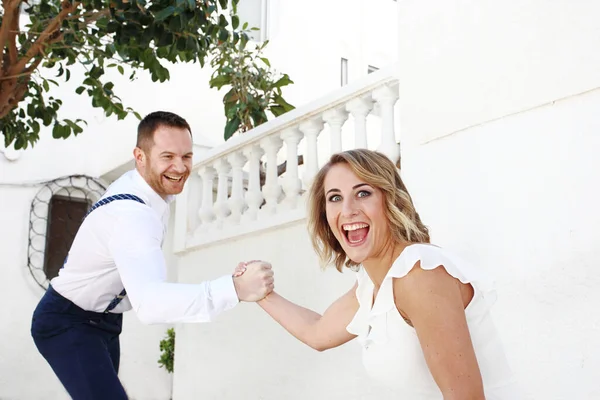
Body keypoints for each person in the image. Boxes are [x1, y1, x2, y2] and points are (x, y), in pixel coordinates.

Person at [237, 149, 520, 399]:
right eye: (335, 198)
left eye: (363, 193)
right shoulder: (374, 284)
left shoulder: (419, 273)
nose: (347, 210)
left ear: (390, 200)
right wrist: (261, 294)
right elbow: (318, 332)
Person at [31, 111, 274, 400]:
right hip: (67, 320)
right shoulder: (133, 215)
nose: (180, 166)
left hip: (103, 321)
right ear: (140, 156)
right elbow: (151, 304)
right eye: (167, 156)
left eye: (186, 156)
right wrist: (234, 289)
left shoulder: (146, 190)